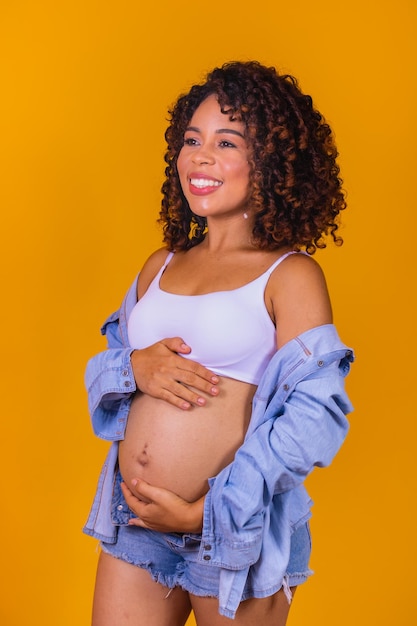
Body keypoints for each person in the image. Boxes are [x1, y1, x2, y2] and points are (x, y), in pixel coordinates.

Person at [83, 60, 354, 626]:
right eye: (191, 139)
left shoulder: (289, 274)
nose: (199, 157)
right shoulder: (159, 266)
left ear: (270, 163)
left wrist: (210, 512)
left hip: (233, 531)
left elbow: (314, 415)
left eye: (225, 142)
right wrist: (134, 367)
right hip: (135, 524)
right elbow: (109, 370)